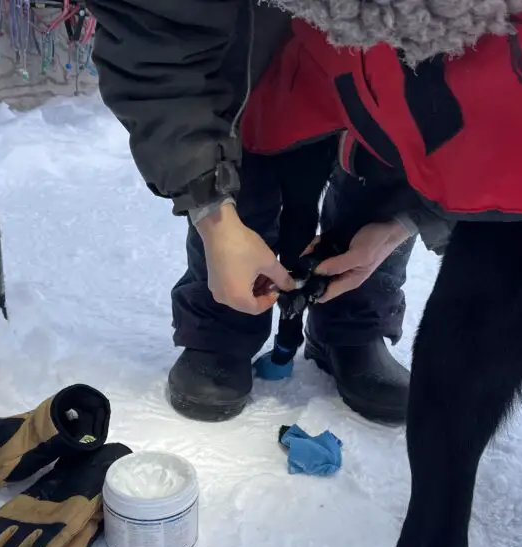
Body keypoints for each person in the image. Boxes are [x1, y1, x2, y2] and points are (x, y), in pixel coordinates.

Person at [83, 0, 416, 424]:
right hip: (251, 78)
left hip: (383, 97)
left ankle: (354, 323)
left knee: (382, 180)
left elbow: (489, 106)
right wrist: (213, 216)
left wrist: (403, 222)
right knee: (240, 186)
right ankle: (222, 321)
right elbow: (151, 44)